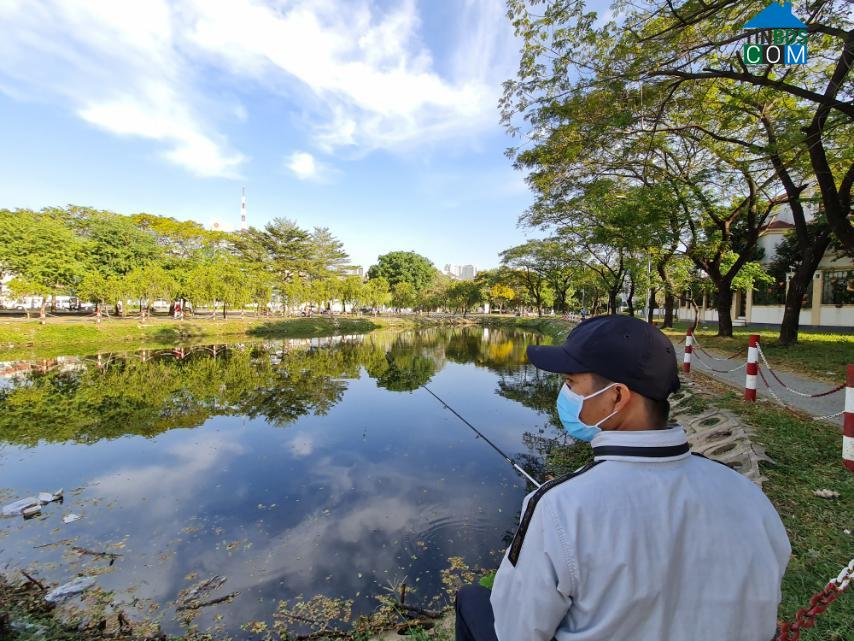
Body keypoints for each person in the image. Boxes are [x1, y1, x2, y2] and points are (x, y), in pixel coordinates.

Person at [454, 315, 790, 641]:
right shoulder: (747, 495)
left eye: (571, 383)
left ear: (617, 396)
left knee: (472, 600)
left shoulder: (560, 507)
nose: (565, 394)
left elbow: (516, 631)